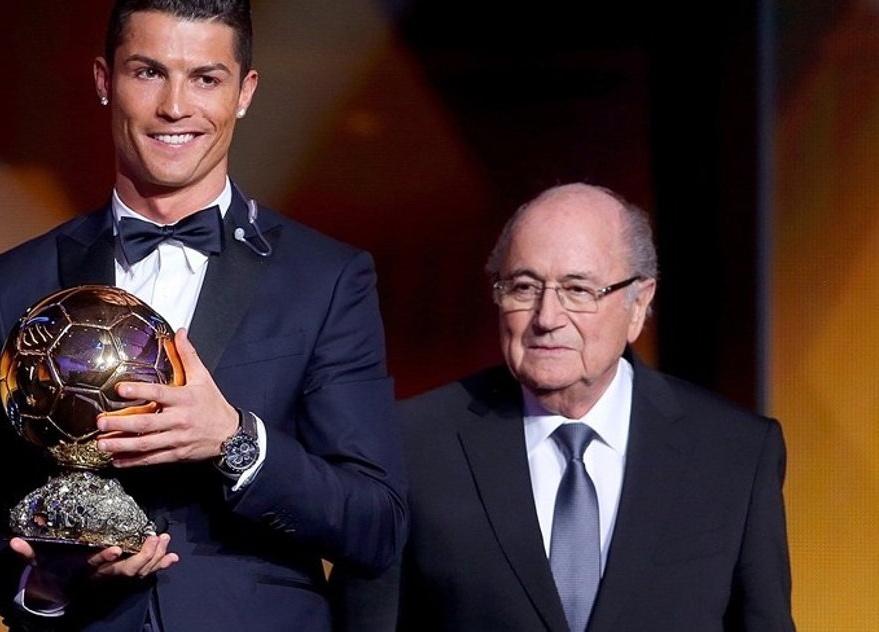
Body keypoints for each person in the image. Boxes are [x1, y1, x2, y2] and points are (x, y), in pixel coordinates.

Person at [0, 0, 407, 631]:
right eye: (148, 72)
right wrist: (43, 581)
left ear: (244, 92)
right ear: (105, 81)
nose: (175, 107)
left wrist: (234, 440)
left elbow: (376, 523)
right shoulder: (13, 284)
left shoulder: (325, 280)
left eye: (205, 78)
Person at [330, 183, 794, 631]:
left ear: (638, 304)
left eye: (578, 290)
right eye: (524, 287)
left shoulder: (735, 453)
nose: (547, 318)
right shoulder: (412, 443)